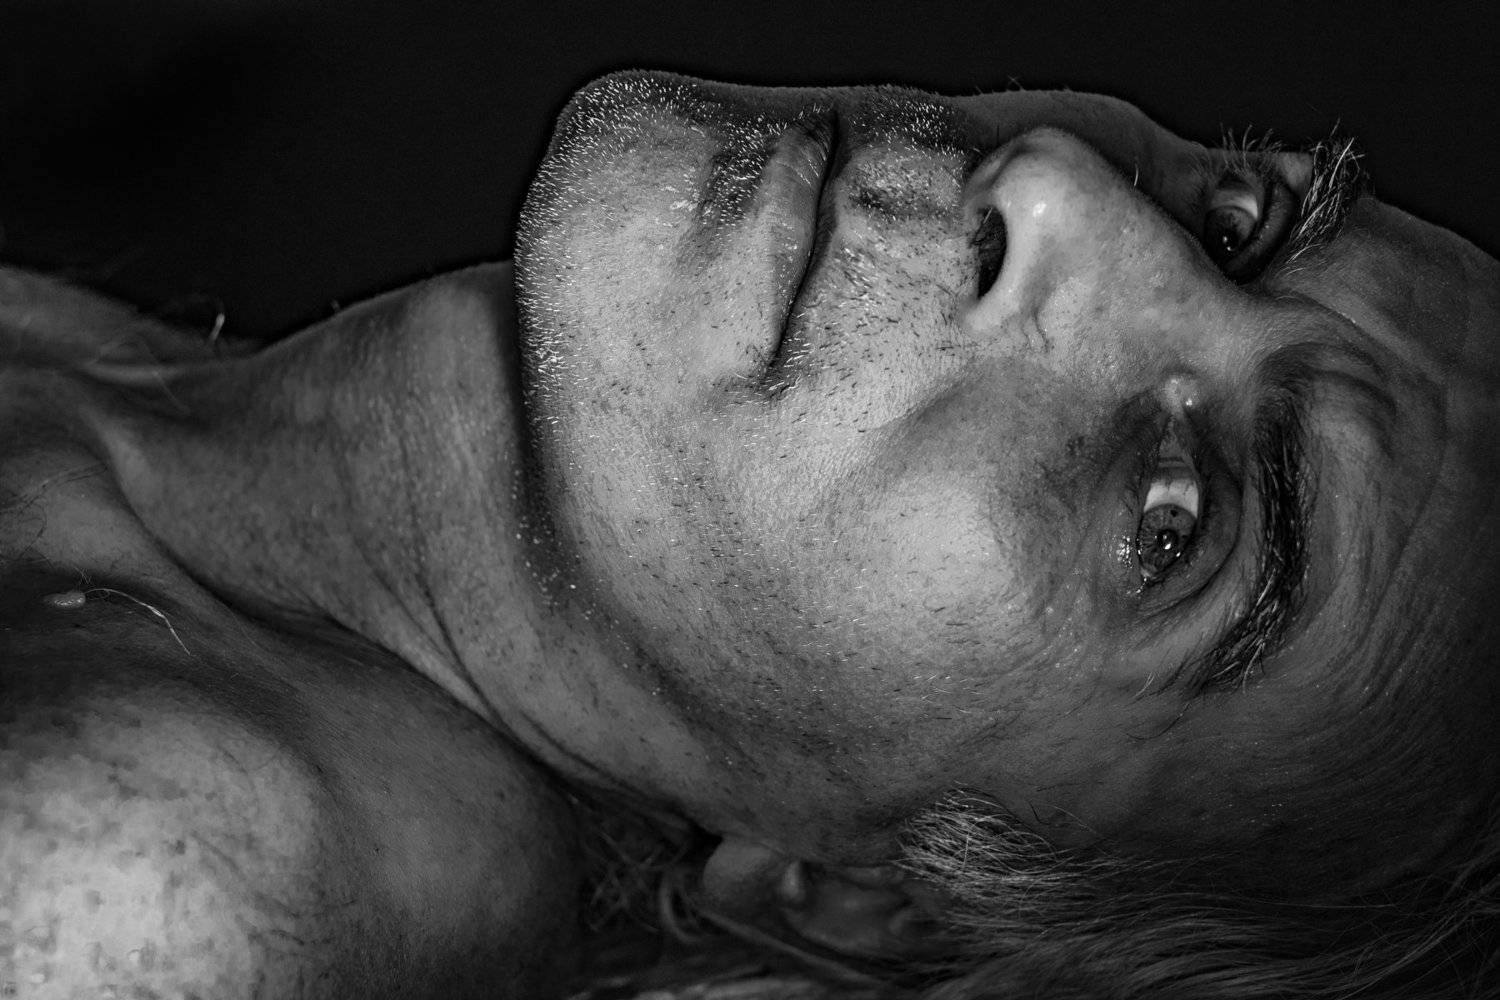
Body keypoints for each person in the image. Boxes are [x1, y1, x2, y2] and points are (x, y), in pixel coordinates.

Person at [2, 70, 1496, 999]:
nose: (1058, 186)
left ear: (853, 901)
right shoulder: (147, 464)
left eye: (1171, 523)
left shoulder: (148, 880)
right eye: (1239, 223)